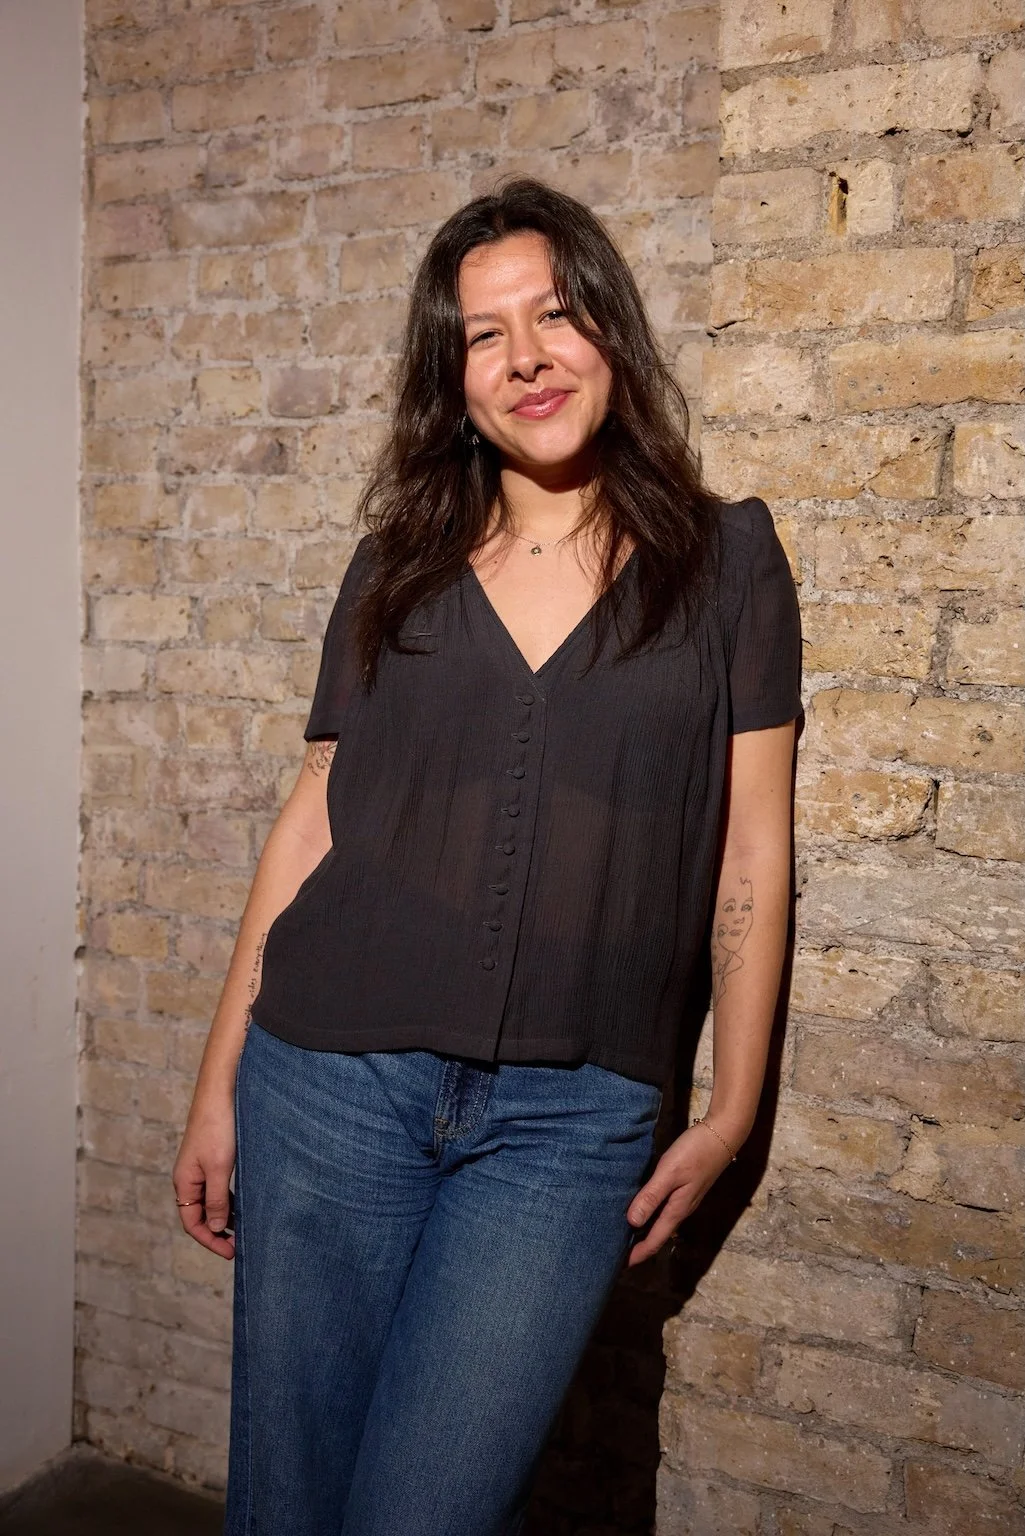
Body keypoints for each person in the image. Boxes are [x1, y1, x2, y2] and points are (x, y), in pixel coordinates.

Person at [172, 176, 802, 1536]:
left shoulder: (729, 562)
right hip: (327, 1086)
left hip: (568, 1130)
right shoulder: (394, 564)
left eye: (557, 314)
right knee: (288, 1507)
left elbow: (753, 846)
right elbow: (312, 822)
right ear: (450, 382)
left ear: (611, 332)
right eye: (483, 334)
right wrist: (218, 1085)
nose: (527, 357)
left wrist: (735, 1104)